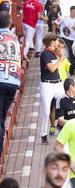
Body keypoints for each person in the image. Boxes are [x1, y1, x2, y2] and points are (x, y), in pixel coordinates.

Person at [0, 11, 21, 155]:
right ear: (10, 23)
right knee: (2, 116)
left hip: (1, 78)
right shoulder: (14, 37)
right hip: (13, 80)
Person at [38, 32, 65, 144]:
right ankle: (43, 135)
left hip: (58, 84)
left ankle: (62, 125)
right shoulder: (45, 54)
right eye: (56, 40)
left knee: (65, 102)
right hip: (47, 85)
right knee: (45, 111)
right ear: (52, 42)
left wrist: (59, 53)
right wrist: (60, 59)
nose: (58, 42)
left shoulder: (55, 53)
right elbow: (52, 69)